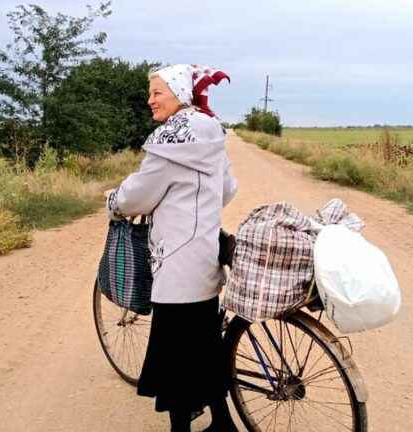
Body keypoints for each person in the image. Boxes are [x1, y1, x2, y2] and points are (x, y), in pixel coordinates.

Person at [105, 64, 239, 432]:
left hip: (176, 264)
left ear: (179, 93)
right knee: (204, 348)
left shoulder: (170, 140)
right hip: (205, 260)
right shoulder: (212, 132)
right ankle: (223, 423)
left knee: (176, 359)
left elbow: (138, 196)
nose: (150, 100)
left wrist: (113, 202)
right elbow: (227, 190)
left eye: (157, 92)